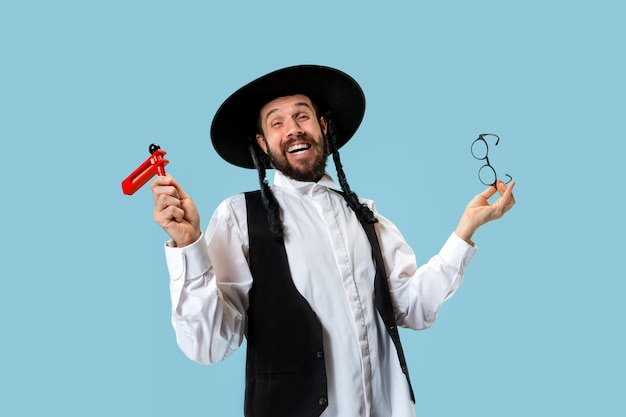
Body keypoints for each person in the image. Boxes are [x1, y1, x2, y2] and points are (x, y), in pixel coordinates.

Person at [150, 65, 516, 417]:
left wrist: (465, 231)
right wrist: (189, 247)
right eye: (276, 122)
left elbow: (410, 307)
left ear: (323, 125)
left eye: (302, 116)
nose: (293, 130)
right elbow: (208, 346)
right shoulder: (238, 217)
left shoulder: (366, 215)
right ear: (262, 143)